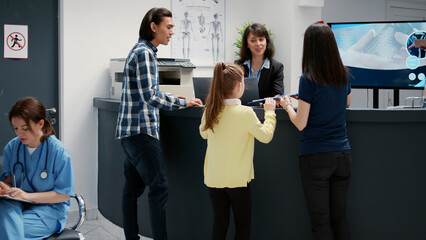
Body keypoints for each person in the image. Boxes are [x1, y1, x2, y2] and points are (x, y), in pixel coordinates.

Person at [115, 7, 203, 240]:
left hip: (130, 132)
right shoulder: (144, 53)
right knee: (159, 187)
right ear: (153, 27)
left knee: (131, 190)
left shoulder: (141, 50)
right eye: (169, 27)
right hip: (142, 132)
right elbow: (151, 96)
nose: (173, 32)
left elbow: (149, 91)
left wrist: (178, 98)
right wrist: (182, 103)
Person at [279, 22, 352, 240]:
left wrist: (287, 106)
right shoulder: (343, 75)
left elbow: (301, 123)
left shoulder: (308, 79)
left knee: (320, 221)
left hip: (316, 157)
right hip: (343, 156)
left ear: (309, 48)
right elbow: (346, 103)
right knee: (339, 218)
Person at [199, 62, 277, 240]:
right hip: (238, 182)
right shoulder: (246, 113)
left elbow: (203, 134)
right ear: (240, 85)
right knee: (242, 224)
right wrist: (270, 113)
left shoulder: (210, 111)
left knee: (220, 223)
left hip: (214, 179)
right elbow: (265, 136)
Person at [0, 97, 75, 240]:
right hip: (16, 204)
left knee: (9, 231)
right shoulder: (12, 147)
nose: (19, 133)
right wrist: (5, 187)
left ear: (40, 123)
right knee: (5, 218)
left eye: (25, 128)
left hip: (49, 209)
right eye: (15, 128)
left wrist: (27, 196)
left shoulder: (58, 151)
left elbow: (63, 195)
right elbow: (9, 180)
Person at [235, 23, 284, 101]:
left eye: (261, 39)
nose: (258, 44)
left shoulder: (276, 67)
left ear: (266, 41)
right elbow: (233, 91)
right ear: (247, 44)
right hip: (243, 110)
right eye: (253, 40)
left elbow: (277, 94)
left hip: (265, 110)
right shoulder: (238, 65)